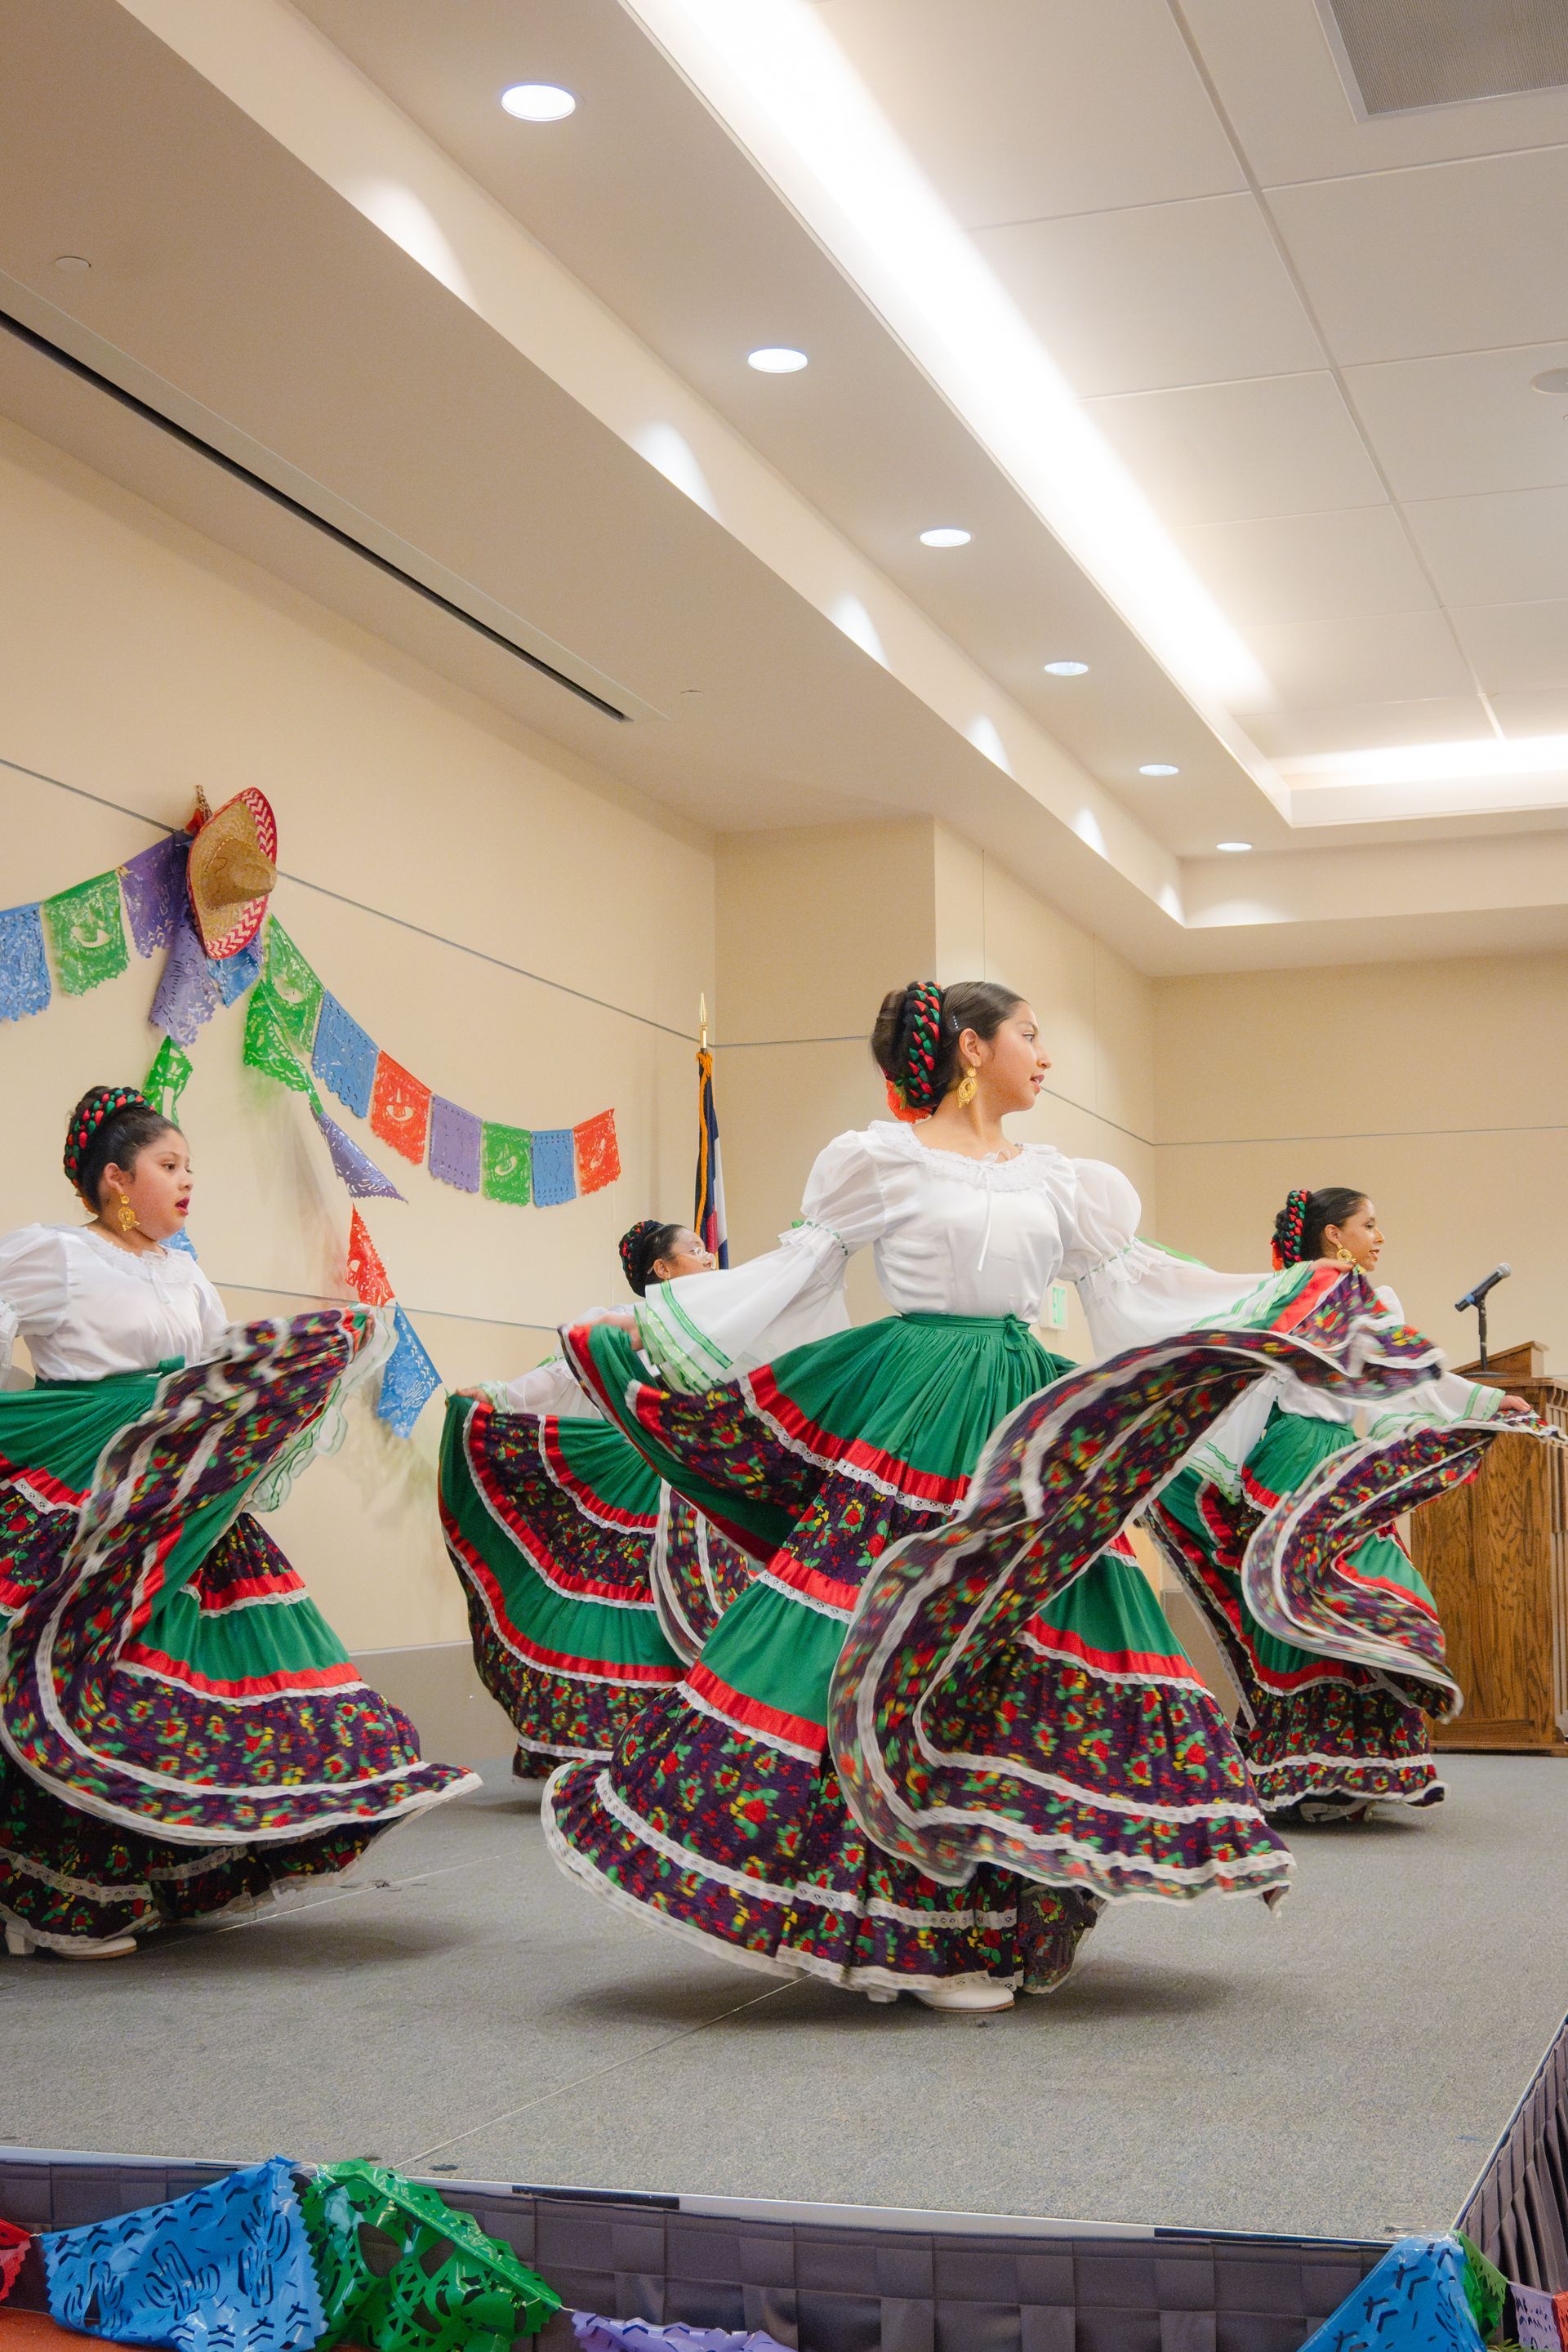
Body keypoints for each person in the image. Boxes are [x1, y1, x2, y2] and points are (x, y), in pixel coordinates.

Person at [543, 981, 1323, 2014]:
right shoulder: (882, 1159)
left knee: (1011, 1658)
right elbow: (796, 1277)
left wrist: (1278, 1310)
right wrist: (663, 1334)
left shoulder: (1067, 1181)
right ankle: (900, 1932)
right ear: (972, 1045)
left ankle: (990, 1921)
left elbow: (1135, 1293)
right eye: (1031, 1035)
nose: (1044, 1055)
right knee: (891, 1648)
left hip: (1021, 1414)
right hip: (915, 1415)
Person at [0, 1085, 477, 1958]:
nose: (188, 1184)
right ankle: (55, 1895)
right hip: (91, 1491)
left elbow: (213, 1371)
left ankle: (154, 1878)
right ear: (116, 1179)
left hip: (183, 1501)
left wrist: (309, 1347)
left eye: (191, 1169)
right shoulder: (55, 1256)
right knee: (82, 1677)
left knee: (176, 1689)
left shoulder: (183, 1269)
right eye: (170, 1167)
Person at [1147, 1186, 1516, 1820]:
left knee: (1363, 1591)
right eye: (1369, 1224)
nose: (1380, 1236)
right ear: (1333, 1236)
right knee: (1297, 1601)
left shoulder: (1373, 1300)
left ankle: (1347, 1771)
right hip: (1292, 1455)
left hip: (1339, 1459)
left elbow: (1409, 1377)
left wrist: (1483, 1404)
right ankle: (1303, 1774)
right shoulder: (1290, 1294)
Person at [441, 1221, 748, 1780]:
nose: (710, 1257)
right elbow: (559, 1379)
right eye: (696, 1251)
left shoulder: (725, 1323)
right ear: (663, 1269)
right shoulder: (612, 1325)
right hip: (638, 1481)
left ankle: (697, 1747)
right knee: (631, 1610)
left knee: (708, 1611)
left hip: (703, 1494)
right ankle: (613, 1746)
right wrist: (494, 1396)